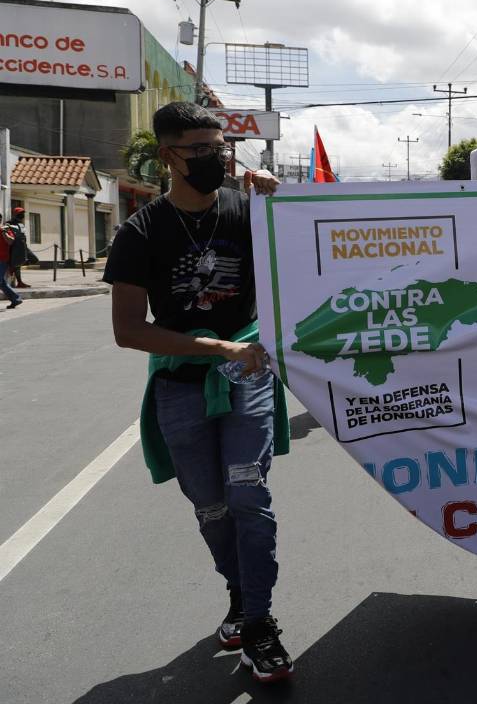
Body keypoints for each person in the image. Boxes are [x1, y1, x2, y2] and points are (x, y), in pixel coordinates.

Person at [102, 102, 295, 682]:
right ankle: (240, 597)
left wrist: (279, 202)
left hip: (249, 373)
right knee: (210, 505)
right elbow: (128, 329)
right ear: (168, 156)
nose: (215, 160)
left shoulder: (249, 209)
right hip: (182, 383)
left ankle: (259, 624)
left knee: (247, 493)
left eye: (220, 148)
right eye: (200, 150)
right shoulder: (140, 233)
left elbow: (316, 254)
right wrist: (217, 350)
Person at [0, 214, 22, 309]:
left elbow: (10, 241)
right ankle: (15, 299)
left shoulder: (5, 229)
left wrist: (3, 232)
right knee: (1, 283)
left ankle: (15, 298)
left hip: (2, 259)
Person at [5, 208, 31, 288]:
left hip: (23, 246)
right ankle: (19, 282)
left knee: (34, 259)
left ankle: (14, 270)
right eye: (20, 213)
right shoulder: (9, 224)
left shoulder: (21, 224)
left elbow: (23, 236)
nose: (22, 215)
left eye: (23, 213)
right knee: (16, 263)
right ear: (15, 214)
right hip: (14, 247)